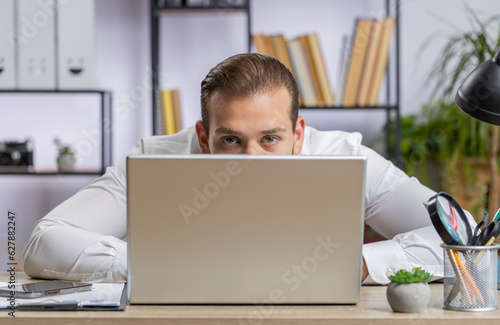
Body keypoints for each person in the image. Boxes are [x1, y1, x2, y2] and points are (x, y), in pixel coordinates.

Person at [24, 53, 445, 284]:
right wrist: (158, 262)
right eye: (231, 140)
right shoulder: (155, 157)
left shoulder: (347, 157)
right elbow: (42, 244)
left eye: (270, 139)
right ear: (203, 137)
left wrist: (359, 265)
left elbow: (459, 237)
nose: (251, 161)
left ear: (298, 134)